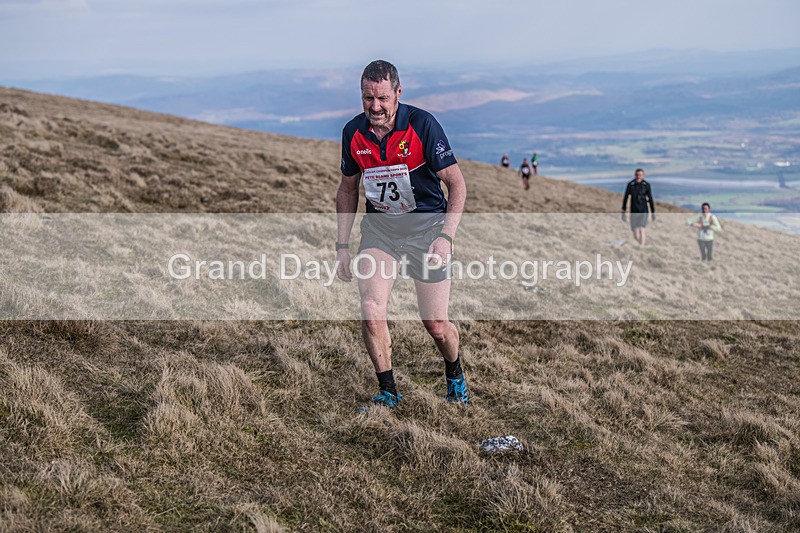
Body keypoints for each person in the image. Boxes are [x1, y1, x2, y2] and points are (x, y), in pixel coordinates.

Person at [336, 60, 469, 409]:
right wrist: (342, 246)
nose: (375, 106)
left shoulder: (422, 125)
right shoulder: (353, 133)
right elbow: (348, 189)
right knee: (371, 308)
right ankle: (388, 392)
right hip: (381, 232)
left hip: (427, 231)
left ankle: (455, 374)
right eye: (368, 98)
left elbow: (456, 184)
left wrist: (446, 237)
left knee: (436, 324)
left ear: (398, 93)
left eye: (382, 98)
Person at [621, 168, 655, 246]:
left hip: (643, 210)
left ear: (643, 176)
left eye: (640, 175)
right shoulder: (631, 185)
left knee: (642, 229)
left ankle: (641, 246)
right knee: (635, 231)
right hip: (634, 210)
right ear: (635, 175)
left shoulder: (646, 185)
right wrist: (623, 210)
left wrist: (653, 211)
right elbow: (626, 197)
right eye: (637, 175)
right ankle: (640, 243)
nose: (638, 176)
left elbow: (650, 198)